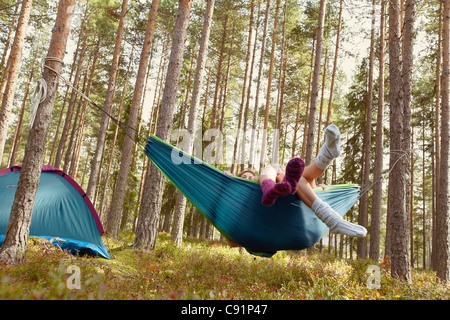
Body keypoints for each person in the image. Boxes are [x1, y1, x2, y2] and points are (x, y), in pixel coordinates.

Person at [259, 124, 367, 238]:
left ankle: (327, 155)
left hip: (303, 207)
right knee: (281, 173)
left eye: (280, 169)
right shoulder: (264, 177)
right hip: (277, 206)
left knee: (300, 178)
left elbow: (312, 189)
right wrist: (277, 174)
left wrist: (320, 189)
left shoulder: (295, 179)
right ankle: (326, 157)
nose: (278, 172)